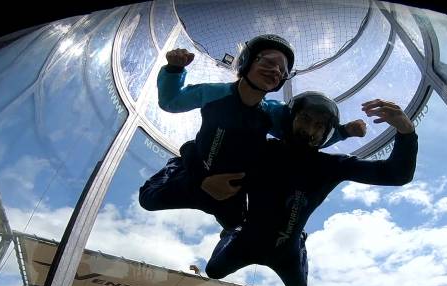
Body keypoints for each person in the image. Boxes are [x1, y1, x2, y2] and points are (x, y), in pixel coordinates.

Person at [139, 34, 365, 230]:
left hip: (232, 190)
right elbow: (171, 102)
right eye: (269, 61)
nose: (275, 70)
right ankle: (176, 167)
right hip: (196, 171)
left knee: (235, 225)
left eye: (282, 69)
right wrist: (174, 69)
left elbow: (306, 137)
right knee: (148, 199)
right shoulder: (214, 93)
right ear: (246, 62)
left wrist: (343, 132)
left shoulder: (272, 113)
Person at [204, 92, 418, 286]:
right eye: (305, 119)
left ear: (326, 133)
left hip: (286, 251)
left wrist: (406, 131)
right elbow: (197, 148)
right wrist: (205, 178)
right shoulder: (261, 150)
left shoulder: (331, 166)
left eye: (319, 126)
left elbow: (397, 175)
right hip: (246, 241)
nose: (310, 130)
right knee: (213, 270)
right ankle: (232, 232)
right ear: (291, 118)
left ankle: (300, 241)